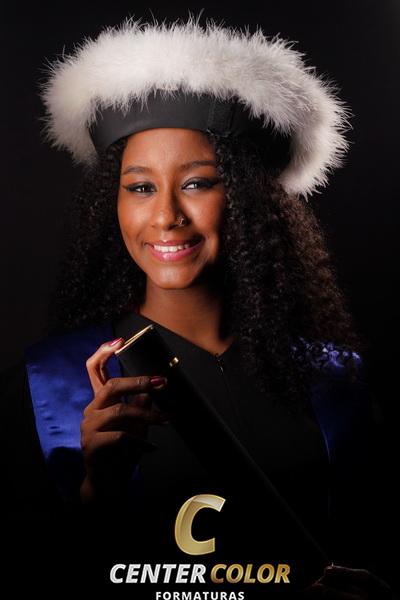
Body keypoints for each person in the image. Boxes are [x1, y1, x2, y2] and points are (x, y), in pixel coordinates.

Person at [0, 16, 394, 598]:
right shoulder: (43, 386)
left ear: (248, 201)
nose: (166, 216)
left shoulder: (337, 382)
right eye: (140, 187)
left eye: (197, 183)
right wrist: (96, 494)